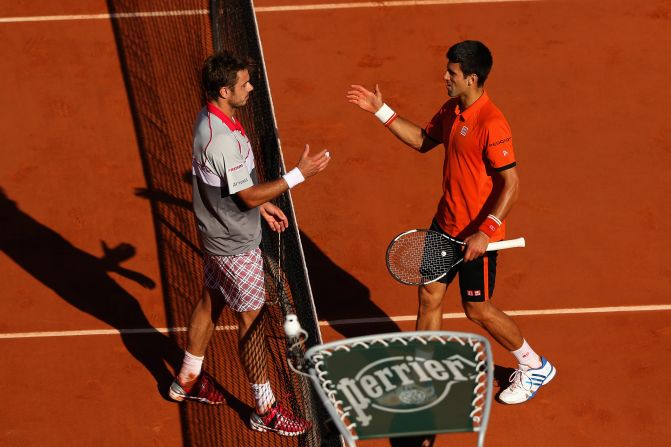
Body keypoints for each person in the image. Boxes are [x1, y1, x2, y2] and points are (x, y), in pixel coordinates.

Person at [346, 40, 555, 404]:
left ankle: (534, 365)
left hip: (477, 237)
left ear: (471, 78)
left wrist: (485, 232)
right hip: (444, 225)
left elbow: (512, 184)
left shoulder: (492, 124)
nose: (445, 76)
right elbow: (422, 140)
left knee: (478, 309)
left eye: (452, 73)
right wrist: (381, 111)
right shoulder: (451, 110)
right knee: (429, 296)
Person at [169, 51, 330, 435]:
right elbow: (243, 197)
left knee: (211, 300)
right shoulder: (220, 139)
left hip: (217, 235)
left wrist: (264, 206)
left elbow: (237, 190)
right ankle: (266, 410)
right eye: (244, 84)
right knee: (252, 324)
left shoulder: (210, 117)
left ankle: (187, 380)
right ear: (225, 90)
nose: (251, 87)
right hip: (235, 246)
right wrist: (298, 175)